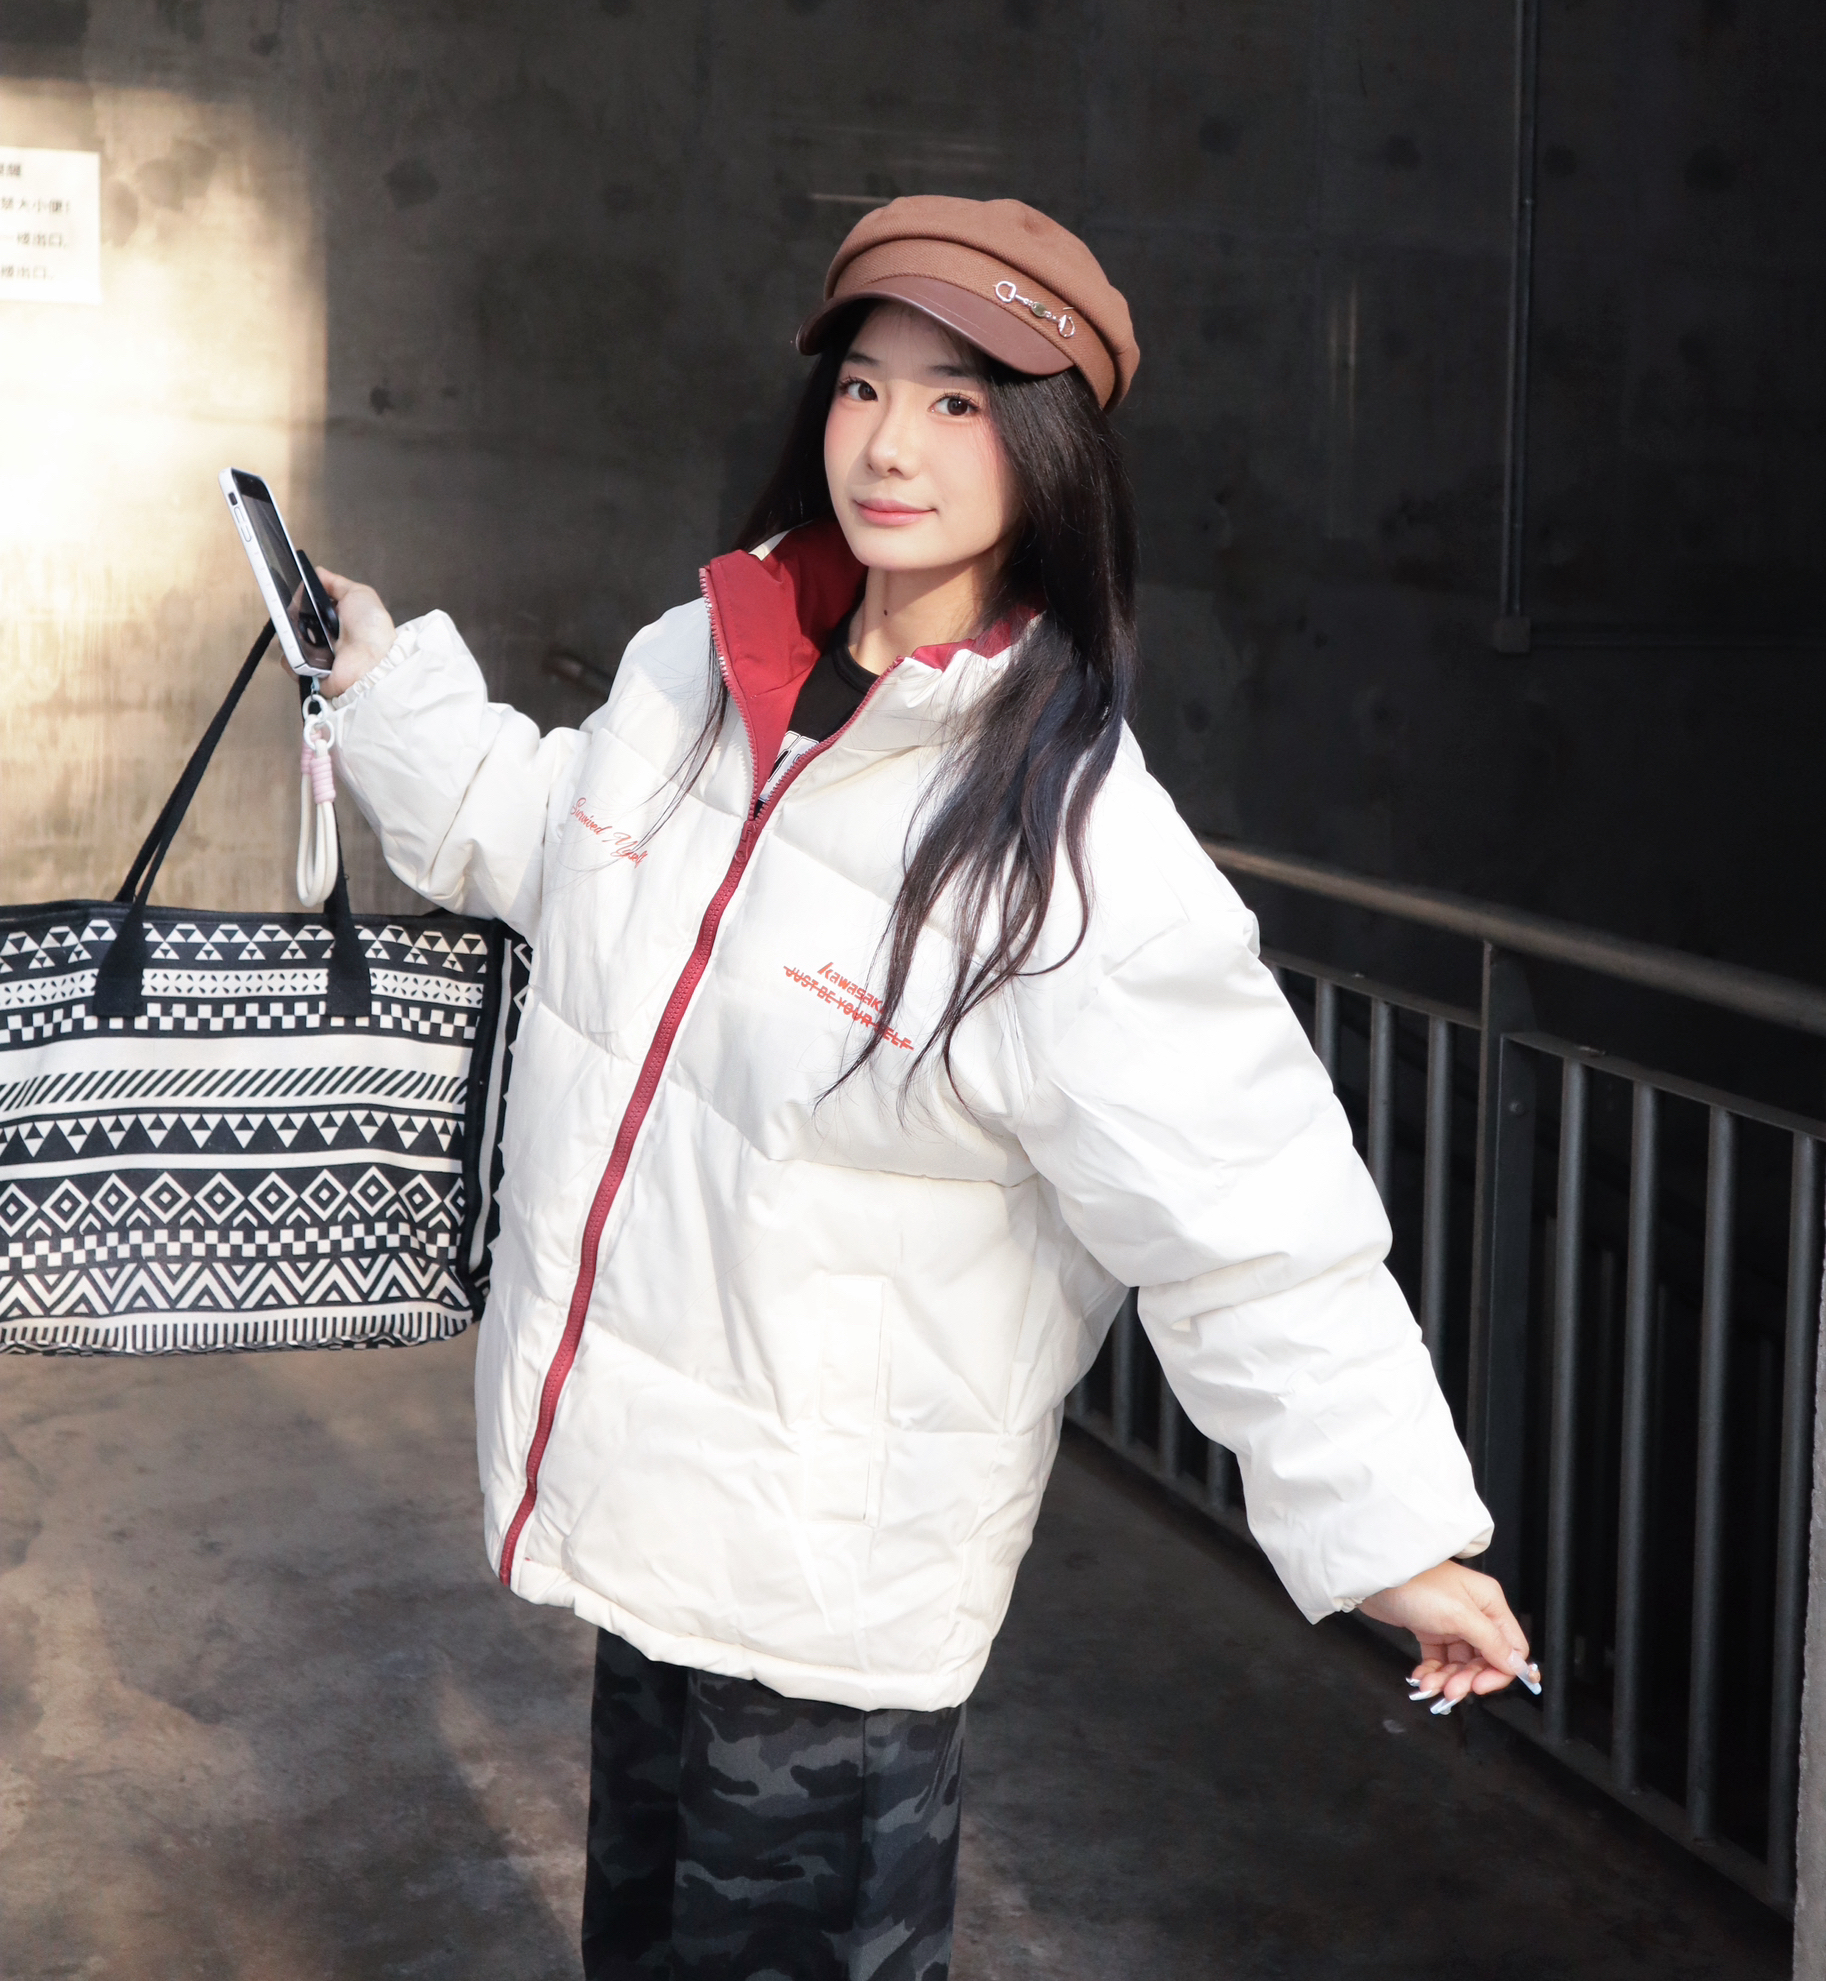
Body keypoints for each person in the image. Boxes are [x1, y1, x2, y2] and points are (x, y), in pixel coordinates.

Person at [313, 195, 1534, 1981]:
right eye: (864, 386)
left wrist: (1390, 1534)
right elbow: (544, 838)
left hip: (829, 1583)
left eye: (959, 401)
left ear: (1048, 451)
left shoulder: (1074, 849)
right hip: (645, 1519)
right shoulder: (693, 669)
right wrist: (378, 686)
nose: (890, 443)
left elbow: (1247, 1216)